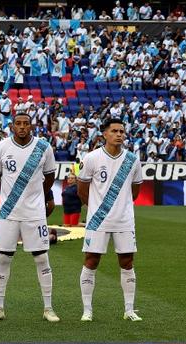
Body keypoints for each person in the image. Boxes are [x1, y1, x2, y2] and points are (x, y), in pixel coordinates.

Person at [0, 111, 59, 322]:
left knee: (42, 258)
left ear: (31, 126)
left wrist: (38, 197)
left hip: (34, 213)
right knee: (3, 258)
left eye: (25, 124)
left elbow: (49, 176)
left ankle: (48, 308)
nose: (21, 127)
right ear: (12, 126)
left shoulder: (43, 147)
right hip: (8, 212)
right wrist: (8, 199)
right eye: (17, 123)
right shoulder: (0, 147)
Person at [76, 118, 144, 322]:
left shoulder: (132, 159)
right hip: (98, 220)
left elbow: (136, 190)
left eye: (122, 131)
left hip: (124, 220)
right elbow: (82, 189)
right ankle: (87, 310)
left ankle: (129, 310)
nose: (119, 134)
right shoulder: (92, 158)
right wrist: (97, 209)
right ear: (104, 134)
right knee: (91, 261)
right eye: (114, 131)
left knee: (127, 261)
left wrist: (121, 206)